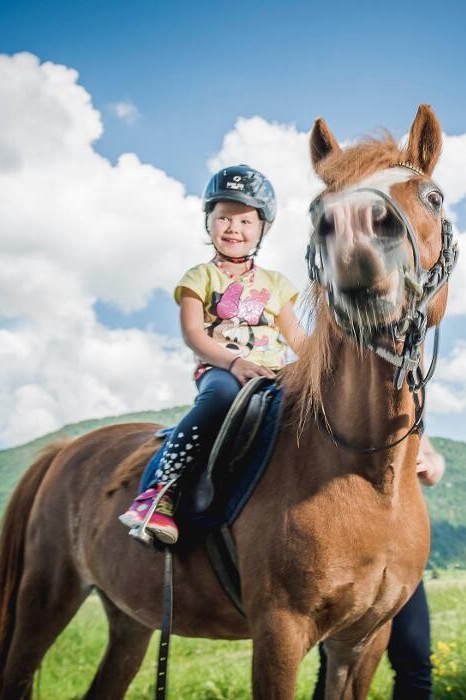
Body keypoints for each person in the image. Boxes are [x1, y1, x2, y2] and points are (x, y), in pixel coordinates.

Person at [119, 164, 306, 544]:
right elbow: (193, 333)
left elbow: (299, 339)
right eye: (223, 218)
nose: (234, 229)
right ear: (209, 223)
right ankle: (159, 492)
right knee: (220, 396)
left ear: (262, 229)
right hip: (223, 369)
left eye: (245, 221)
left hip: (273, 374)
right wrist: (234, 362)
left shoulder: (276, 284)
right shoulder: (199, 277)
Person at [314, 436, 446, 699]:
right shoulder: (339, 408)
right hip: (348, 559)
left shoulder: (405, 411)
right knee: (337, 667)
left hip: (400, 560)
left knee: (416, 664)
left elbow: (433, 464)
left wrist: (429, 464)